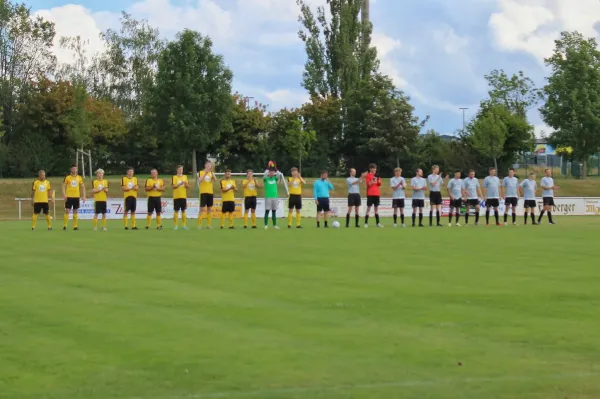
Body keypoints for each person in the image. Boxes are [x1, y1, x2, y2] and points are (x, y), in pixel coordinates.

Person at [62, 165, 86, 231]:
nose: (74, 170)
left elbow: (83, 187)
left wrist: (84, 196)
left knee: (75, 211)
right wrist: (64, 194)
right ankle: (65, 225)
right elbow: (63, 186)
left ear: (77, 170)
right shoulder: (67, 177)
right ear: (71, 170)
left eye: (75, 169)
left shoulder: (79, 178)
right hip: (69, 196)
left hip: (76, 196)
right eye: (73, 169)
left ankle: (75, 226)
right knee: (67, 211)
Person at [198, 161, 217, 229]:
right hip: (203, 192)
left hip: (210, 192)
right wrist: (205, 173)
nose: (209, 166)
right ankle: (199, 225)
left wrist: (212, 173)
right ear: (205, 165)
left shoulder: (211, 173)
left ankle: (208, 225)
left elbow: (215, 180)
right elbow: (199, 181)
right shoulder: (201, 172)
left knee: (209, 208)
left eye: (210, 165)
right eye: (208, 165)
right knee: (202, 209)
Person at [365, 163, 383, 228]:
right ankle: (366, 223)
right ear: (370, 169)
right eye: (373, 168)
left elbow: (380, 184)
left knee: (376, 209)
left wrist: (378, 180)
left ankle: (378, 223)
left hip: (376, 194)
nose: (374, 170)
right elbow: (368, 184)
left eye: (375, 168)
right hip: (370, 194)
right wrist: (372, 180)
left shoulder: (377, 176)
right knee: (368, 208)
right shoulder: (368, 176)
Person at [171, 165, 189, 230]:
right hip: (176, 196)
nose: (181, 170)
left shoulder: (185, 177)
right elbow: (173, 186)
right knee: (176, 210)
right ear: (177, 170)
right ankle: (175, 225)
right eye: (179, 169)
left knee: (183, 210)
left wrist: (185, 184)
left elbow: (188, 186)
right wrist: (179, 184)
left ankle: (184, 225)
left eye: (182, 169)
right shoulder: (174, 177)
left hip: (183, 196)